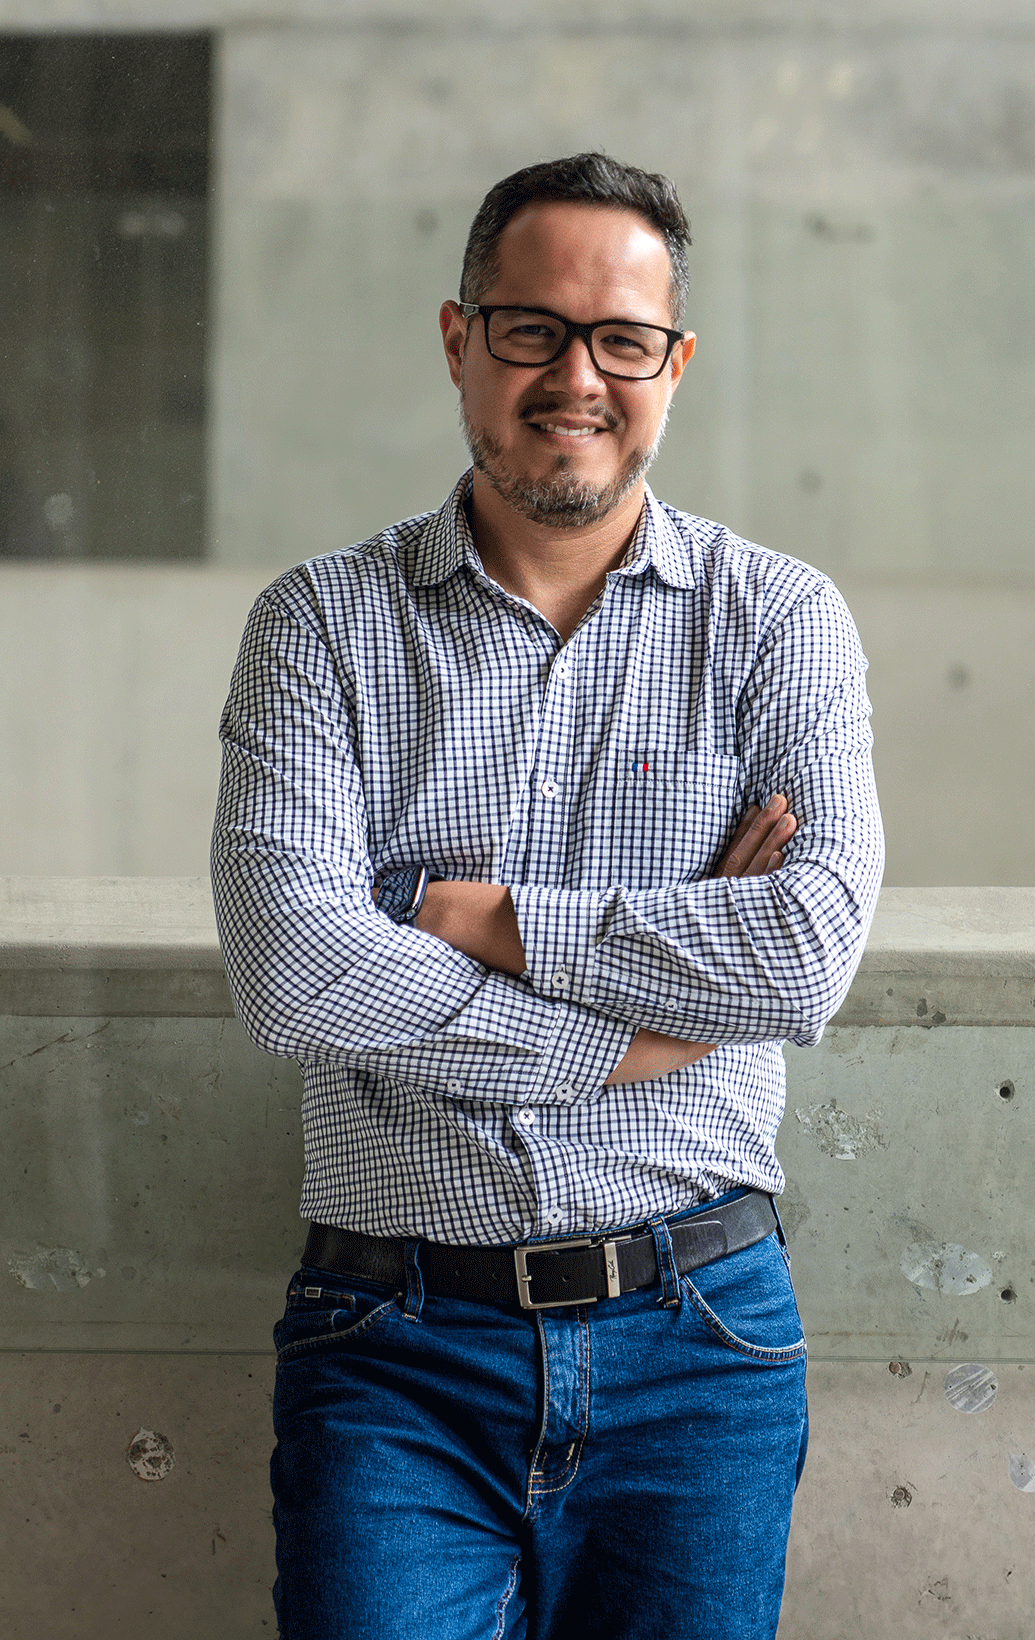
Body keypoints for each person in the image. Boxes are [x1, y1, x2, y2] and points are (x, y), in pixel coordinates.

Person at [211, 152, 884, 1640]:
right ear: (460, 340)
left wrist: (484, 915)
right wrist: (646, 1032)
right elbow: (295, 969)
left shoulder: (779, 623)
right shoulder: (320, 626)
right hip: (394, 1349)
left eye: (620, 339)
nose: (575, 375)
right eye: (532, 329)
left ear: (673, 363)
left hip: (698, 1341)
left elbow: (808, 954)